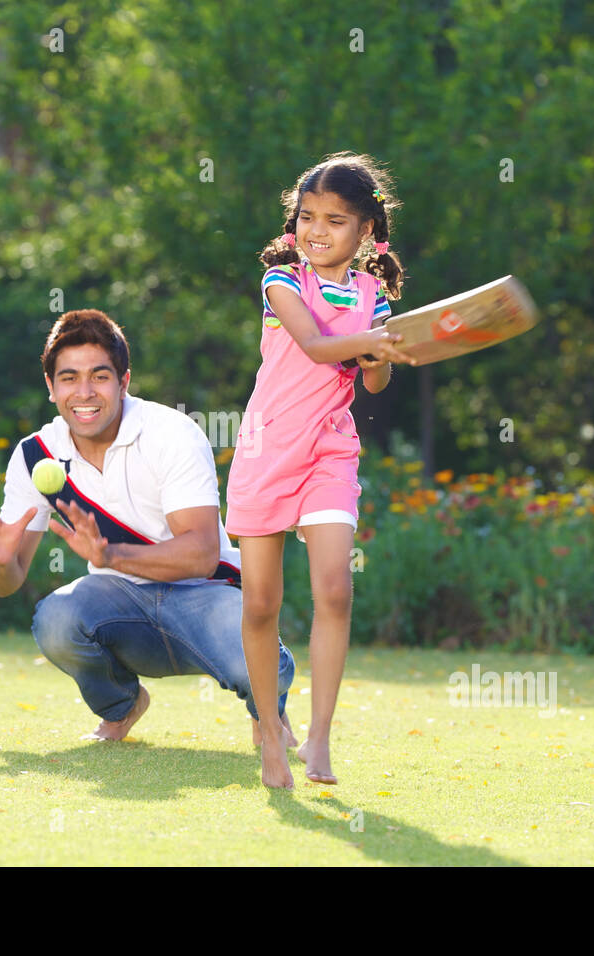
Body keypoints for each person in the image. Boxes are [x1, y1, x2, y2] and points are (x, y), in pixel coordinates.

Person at [0, 309, 296, 743]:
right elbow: (7, 583)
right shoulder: (36, 456)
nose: (85, 392)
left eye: (100, 376)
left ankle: (266, 711)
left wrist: (110, 555)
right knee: (55, 619)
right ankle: (122, 706)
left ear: (124, 382)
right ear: (51, 388)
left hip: (206, 595)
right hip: (121, 604)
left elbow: (202, 554)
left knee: (259, 660)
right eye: (69, 378)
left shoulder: (171, 433)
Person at [227, 153, 417, 789]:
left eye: (334, 221)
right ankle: (269, 734)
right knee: (260, 604)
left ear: (364, 231)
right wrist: (371, 345)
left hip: (330, 450)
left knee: (335, 589)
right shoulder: (281, 281)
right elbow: (313, 345)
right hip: (266, 448)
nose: (316, 231)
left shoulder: (374, 300)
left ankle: (319, 740)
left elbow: (376, 379)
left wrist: (382, 356)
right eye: (307, 217)